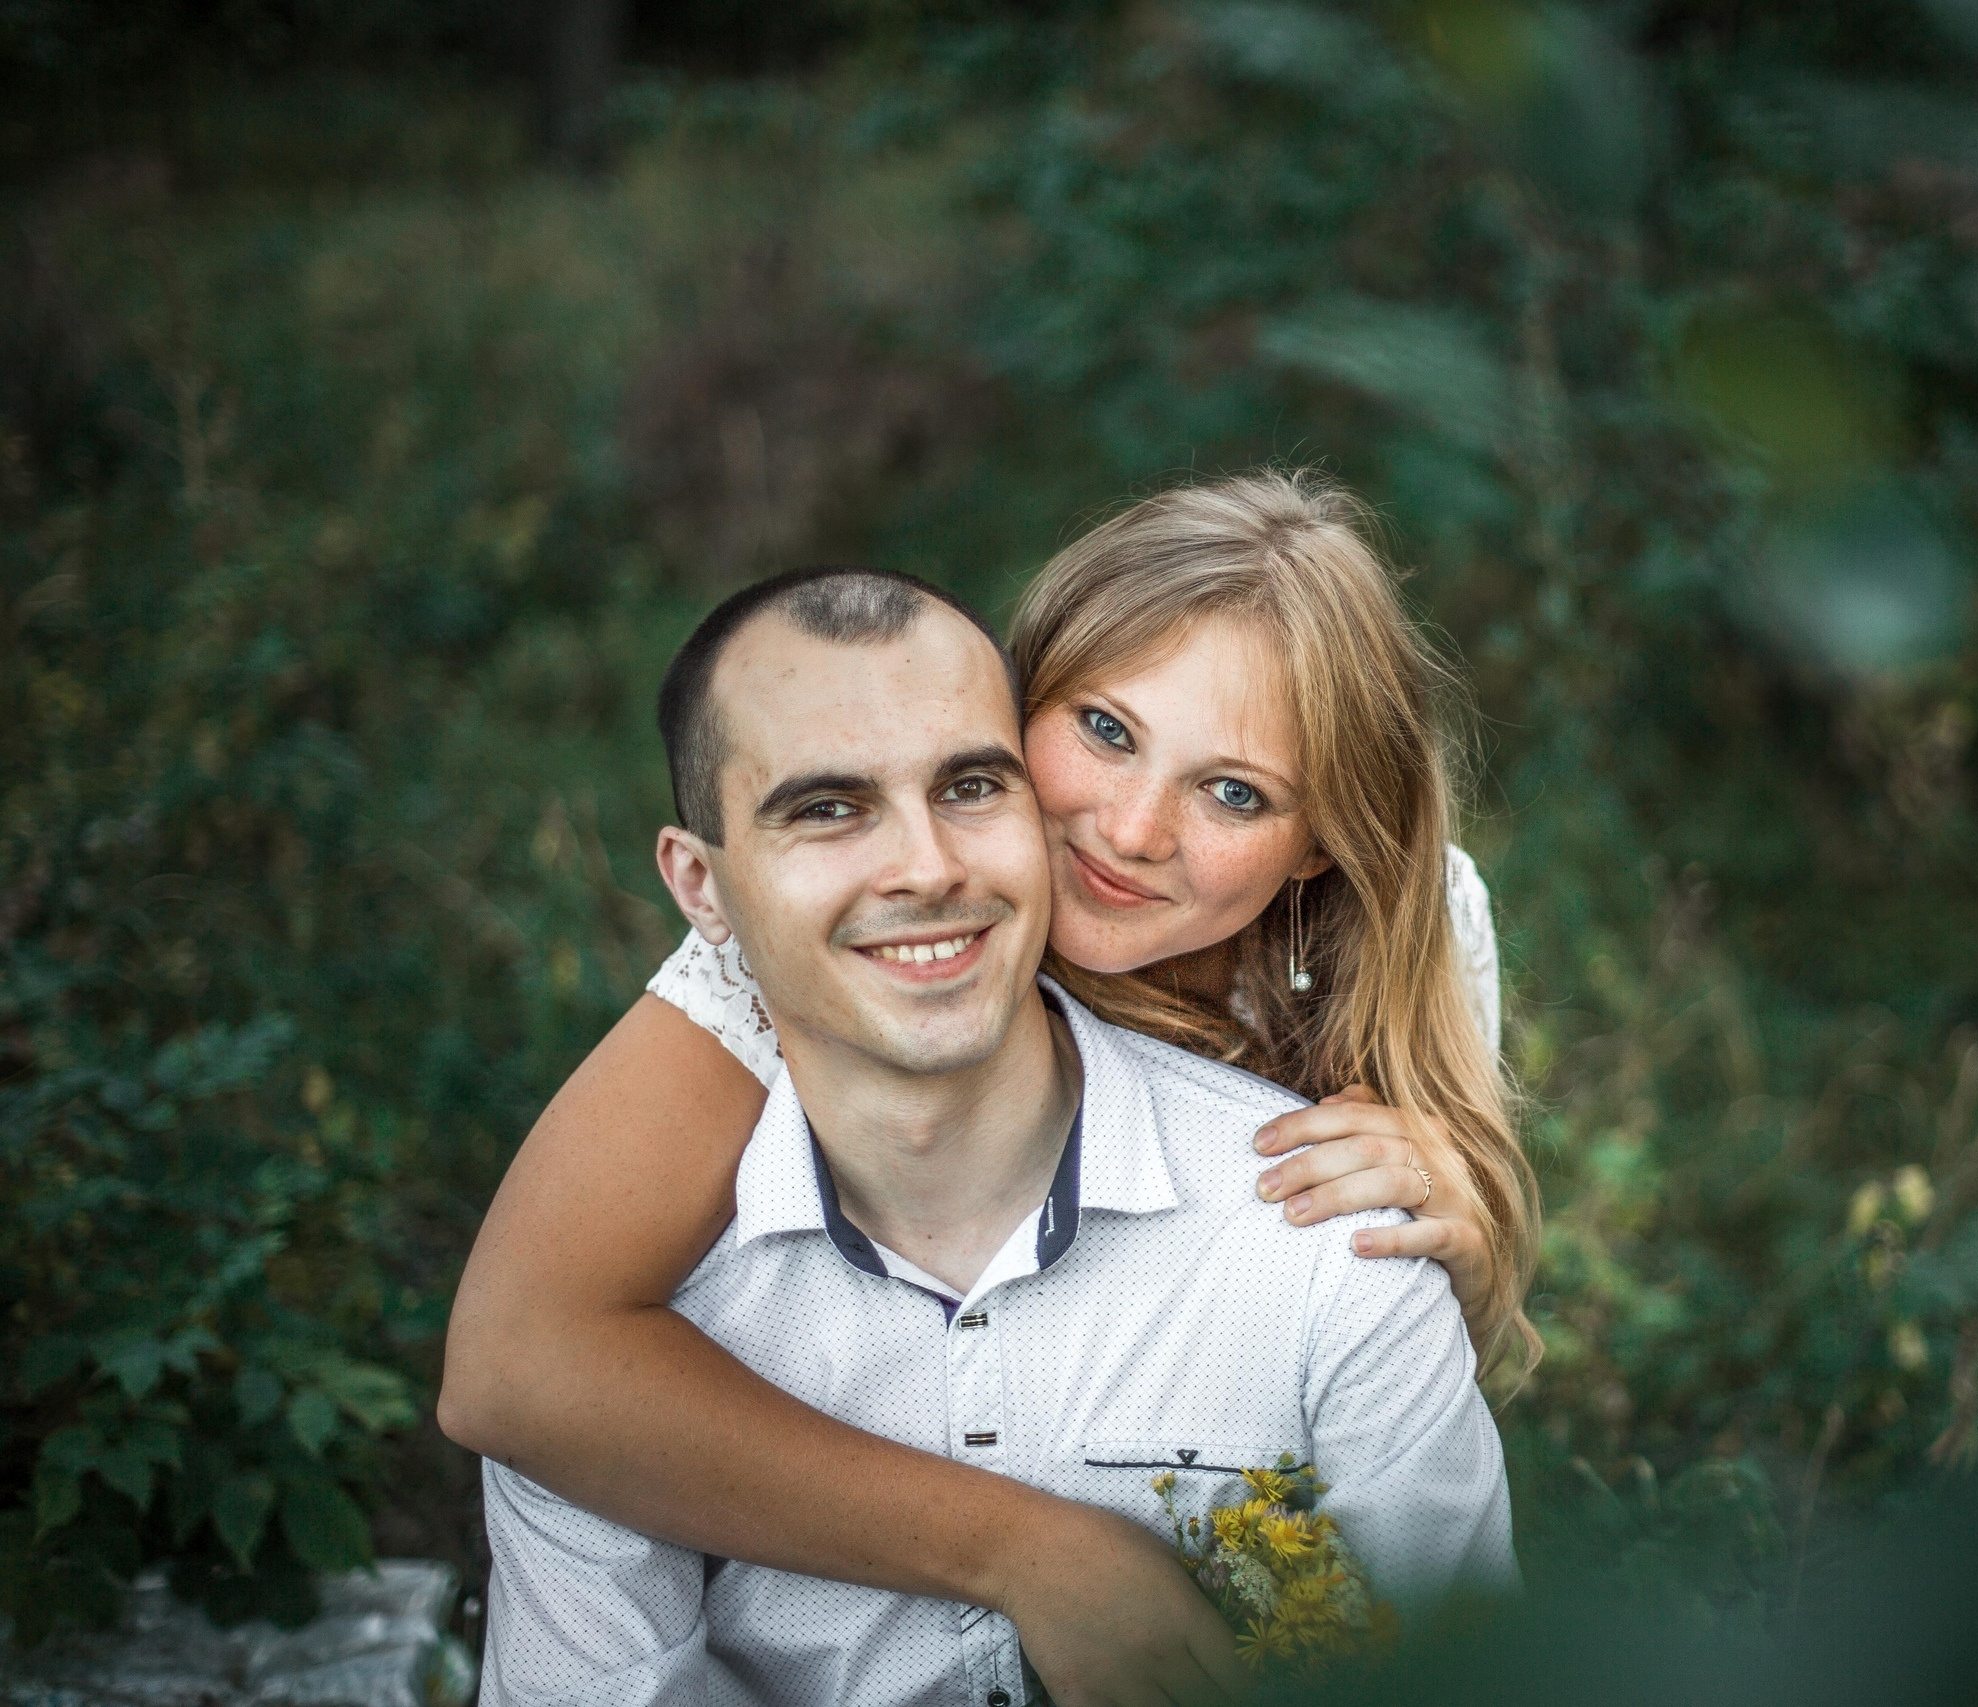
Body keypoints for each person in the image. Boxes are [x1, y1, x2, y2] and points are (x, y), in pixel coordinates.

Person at [441, 472, 1539, 1704]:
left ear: (1323, 838)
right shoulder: (806, 957)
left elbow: (1420, 1424)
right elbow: (516, 1363)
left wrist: (1460, 1231)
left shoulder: (1411, 927)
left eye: (1234, 792)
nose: (1129, 831)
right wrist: (1032, 1552)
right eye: (1105, 732)